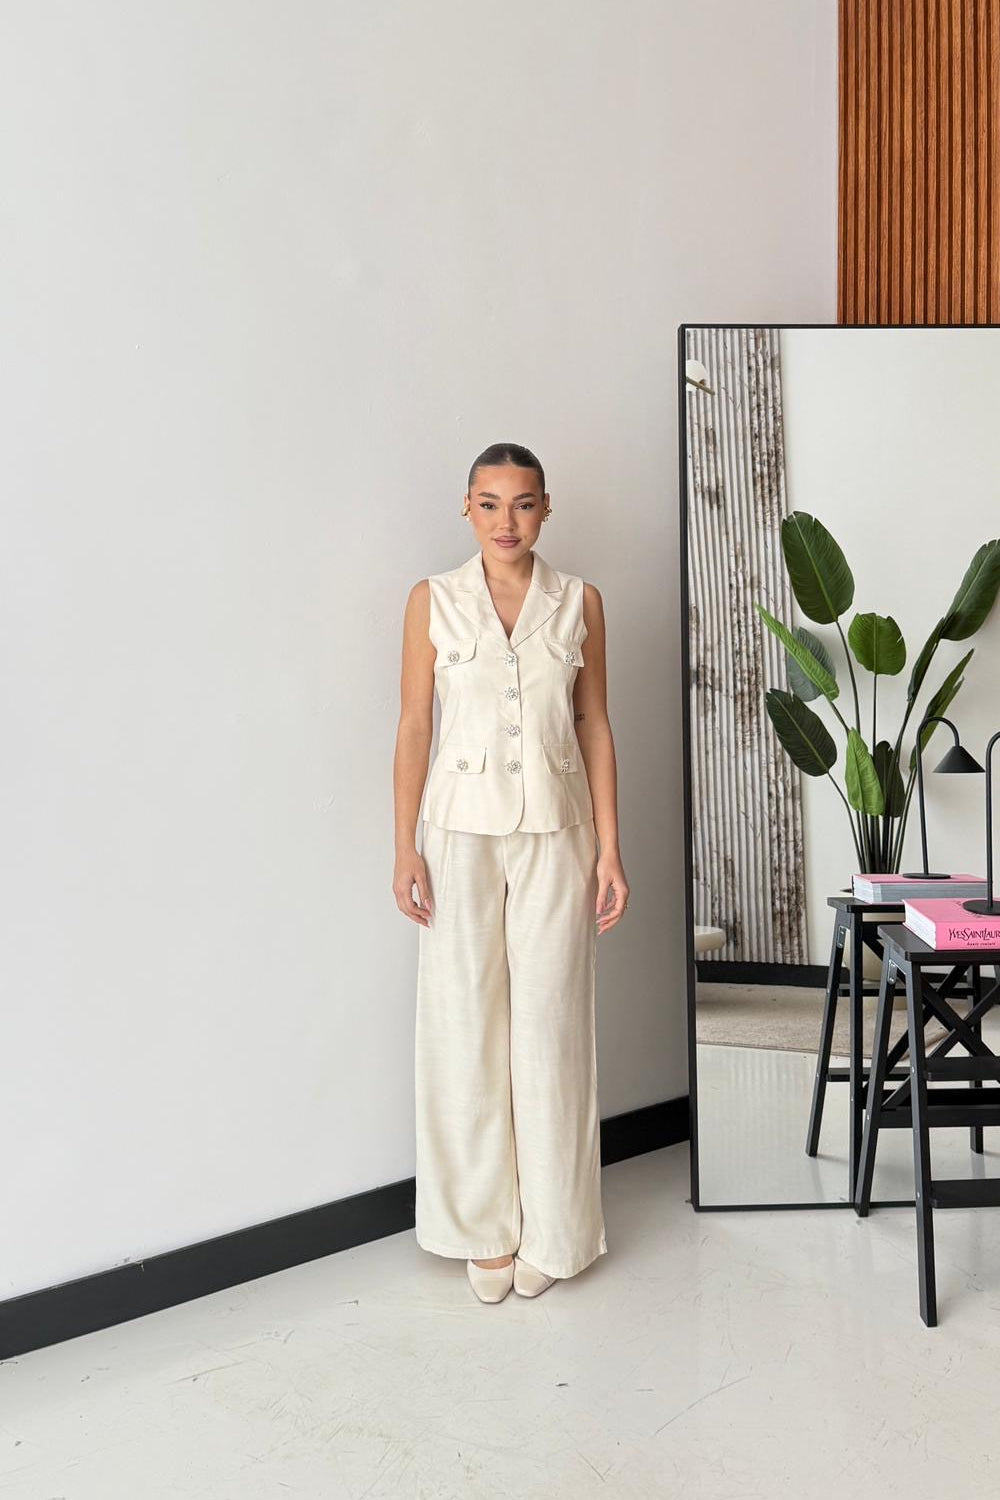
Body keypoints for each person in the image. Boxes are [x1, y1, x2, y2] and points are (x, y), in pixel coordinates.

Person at [392, 442, 629, 1303]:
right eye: (489, 504)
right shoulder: (433, 600)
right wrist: (404, 845)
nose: (506, 521)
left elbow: (594, 724)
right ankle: (480, 1227)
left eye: (523, 504)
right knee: (463, 1022)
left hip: (558, 832)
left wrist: (611, 848)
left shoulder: (580, 602)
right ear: (467, 509)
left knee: (551, 1025)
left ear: (546, 508)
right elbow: (415, 724)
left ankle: (556, 1229)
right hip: (458, 831)